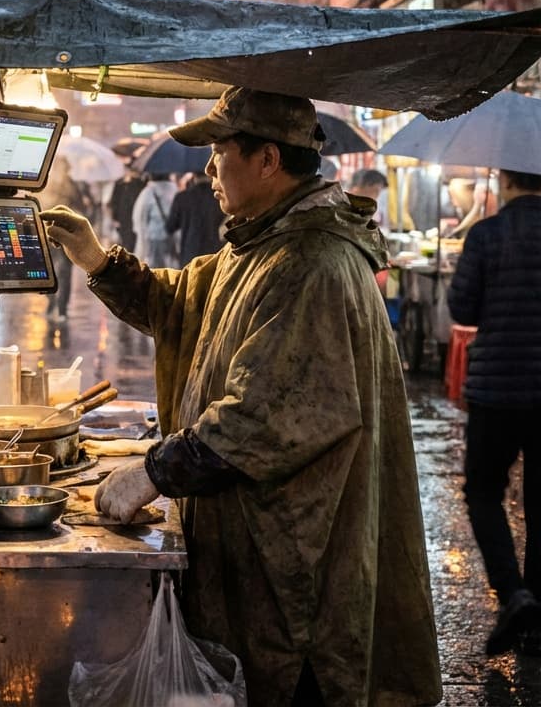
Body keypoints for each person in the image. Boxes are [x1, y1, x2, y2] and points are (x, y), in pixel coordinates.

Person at [41, 86, 442, 706]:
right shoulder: (258, 245)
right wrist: (95, 257)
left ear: (268, 160)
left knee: (295, 686)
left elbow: (263, 416)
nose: (208, 169)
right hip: (256, 551)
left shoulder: (311, 263)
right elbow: (178, 305)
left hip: (297, 567)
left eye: (220, 151)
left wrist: (152, 472)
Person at [447, 167, 541, 656]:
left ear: (505, 178)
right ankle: (536, 621)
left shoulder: (486, 234)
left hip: (497, 389)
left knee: (483, 493)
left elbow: (462, 310)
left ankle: (513, 594)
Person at [42, 154, 94, 321]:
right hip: (49, 235)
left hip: (64, 236)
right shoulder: (48, 186)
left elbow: (81, 210)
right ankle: (52, 302)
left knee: (63, 272)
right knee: (50, 271)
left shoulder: (71, 186)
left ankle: (62, 307)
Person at [165, 172, 223, 265]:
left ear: (194, 176)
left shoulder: (182, 197)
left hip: (189, 255)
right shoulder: (219, 198)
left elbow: (170, 227)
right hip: (214, 256)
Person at [130, 172, 178, 268]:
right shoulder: (175, 190)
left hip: (154, 238)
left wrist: (141, 246)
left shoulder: (148, 192)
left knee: (155, 269)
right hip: (172, 237)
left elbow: (139, 218)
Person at [108, 161, 145, 252]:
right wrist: (114, 218)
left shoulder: (139, 183)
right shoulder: (119, 183)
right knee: (124, 241)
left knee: (132, 242)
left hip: (134, 217)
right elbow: (114, 201)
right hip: (122, 218)